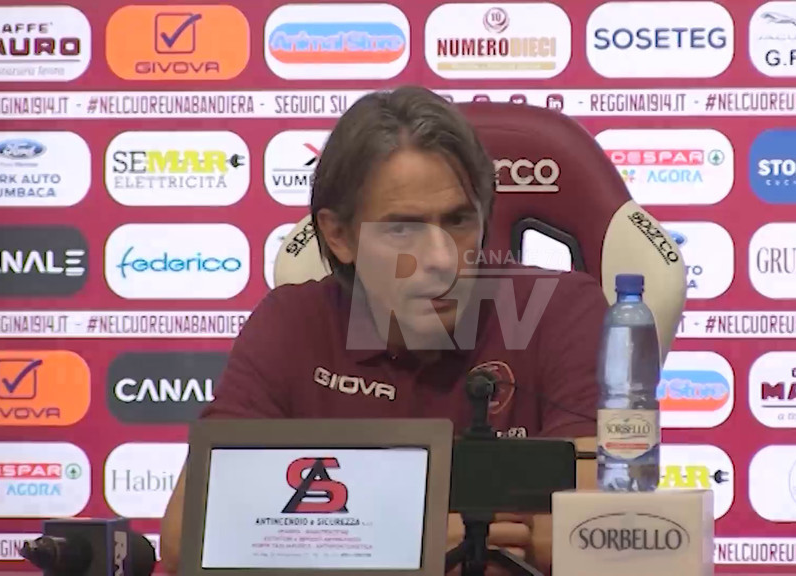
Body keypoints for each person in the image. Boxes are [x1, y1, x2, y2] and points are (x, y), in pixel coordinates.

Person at [160, 85, 607, 575]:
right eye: (402, 228)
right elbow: (189, 535)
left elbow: (592, 530)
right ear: (339, 235)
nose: (441, 259)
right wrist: (407, 536)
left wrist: (320, 527)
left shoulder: (560, 310)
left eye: (459, 221)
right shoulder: (292, 323)